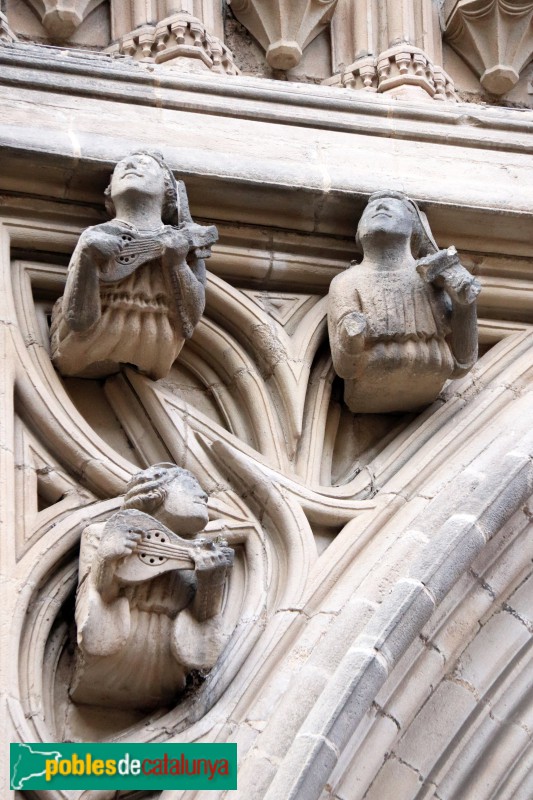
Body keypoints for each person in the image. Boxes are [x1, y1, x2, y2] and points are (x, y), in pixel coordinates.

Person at [70, 464, 234, 710]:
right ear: (157, 491)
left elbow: (202, 617)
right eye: (191, 486)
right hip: (115, 640)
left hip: (168, 658)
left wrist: (212, 579)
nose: (204, 495)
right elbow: (99, 595)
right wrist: (107, 558)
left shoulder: (199, 550)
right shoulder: (102, 533)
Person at [51, 151, 217, 379]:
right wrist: (87, 260)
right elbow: (79, 320)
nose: (130, 164)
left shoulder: (184, 239)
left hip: (158, 343)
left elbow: (190, 321)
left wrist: (176, 264)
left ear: (168, 189)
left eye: (144, 164)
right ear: (109, 193)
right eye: (121, 167)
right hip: (88, 342)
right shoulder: (95, 236)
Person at [327, 190, 480, 413]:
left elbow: (462, 362)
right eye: (370, 209)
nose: (379, 208)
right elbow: (345, 367)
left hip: (434, 368)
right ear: (358, 233)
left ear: (414, 229)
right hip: (370, 376)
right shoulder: (346, 282)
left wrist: (465, 305)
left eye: (392, 207)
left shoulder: (433, 280)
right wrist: (352, 336)